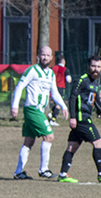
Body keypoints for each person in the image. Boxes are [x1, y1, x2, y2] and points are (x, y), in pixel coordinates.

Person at [10, 46, 69, 180]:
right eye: (43, 55)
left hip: (39, 111)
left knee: (29, 141)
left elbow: (54, 92)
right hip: (32, 109)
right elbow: (19, 87)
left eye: (48, 55)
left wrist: (63, 106)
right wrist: (14, 106)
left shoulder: (51, 74)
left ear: (52, 58)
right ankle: (43, 169)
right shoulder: (32, 70)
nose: (45, 58)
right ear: (38, 56)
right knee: (49, 136)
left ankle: (18, 172)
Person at [56, 55, 101, 184]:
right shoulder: (81, 80)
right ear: (88, 67)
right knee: (98, 143)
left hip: (84, 118)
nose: (96, 69)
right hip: (81, 118)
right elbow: (72, 98)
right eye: (93, 66)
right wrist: (72, 117)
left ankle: (62, 174)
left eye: (98, 67)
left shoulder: (95, 83)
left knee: (72, 146)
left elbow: (97, 102)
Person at [50, 52, 71, 125]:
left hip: (52, 86)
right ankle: (53, 119)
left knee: (55, 103)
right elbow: (68, 79)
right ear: (63, 61)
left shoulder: (53, 68)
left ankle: (51, 113)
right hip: (60, 87)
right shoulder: (65, 69)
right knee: (58, 104)